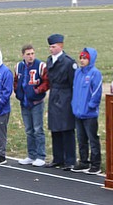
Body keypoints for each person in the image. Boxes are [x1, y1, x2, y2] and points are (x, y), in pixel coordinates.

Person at [45, 34, 77, 171]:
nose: (51, 49)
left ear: (61, 46)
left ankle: (70, 160)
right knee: (55, 128)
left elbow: (72, 83)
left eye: (54, 46)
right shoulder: (49, 61)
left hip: (65, 96)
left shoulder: (69, 62)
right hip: (54, 95)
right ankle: (58, 158)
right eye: (50, 47)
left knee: (67, 129)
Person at [14, 44, 49, 167]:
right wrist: (18, 93)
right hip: (24, 102)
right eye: (28, 54)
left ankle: (41, 155)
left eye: (32, 53)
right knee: (29, 130)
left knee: (38, 129)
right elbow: (16, 81)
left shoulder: (40, 66)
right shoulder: (19, 66)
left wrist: (37, 91)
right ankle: (31, 155)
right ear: (23, 55)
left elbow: (46, 82)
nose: (31, 56)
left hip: (36, 102)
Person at [71, 48, 102, 175]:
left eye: (85, 58)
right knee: (81, 138)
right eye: (81, 58)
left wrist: (91, 105)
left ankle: (96, 164)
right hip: (78, 111)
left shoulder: (95, 73)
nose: (82, 61)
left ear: (90, 59)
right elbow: (75, 89)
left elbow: (97, 91)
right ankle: (84, 161)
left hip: (89, 113)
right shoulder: (78, 72)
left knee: (92, 138)